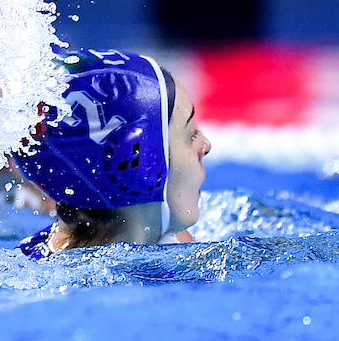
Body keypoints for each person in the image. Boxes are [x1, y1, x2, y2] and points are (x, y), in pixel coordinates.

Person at [12, 49, 210, 256]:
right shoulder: (188, 263)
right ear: (138, 163)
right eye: (191, 134)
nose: (206, 145)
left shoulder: (28, 262)